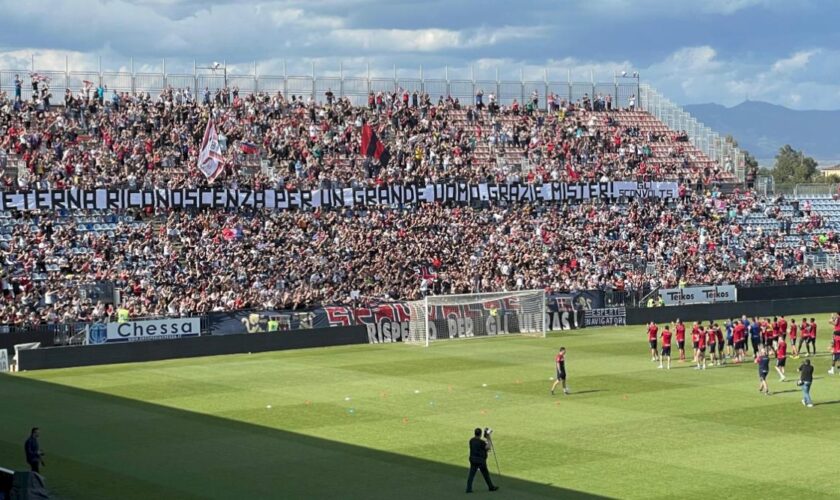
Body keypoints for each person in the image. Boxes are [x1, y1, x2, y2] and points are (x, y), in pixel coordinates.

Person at [466, 428, 499, 493]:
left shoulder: (471, 440)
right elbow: (488, 447)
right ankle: (491, 487)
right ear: (480, 434)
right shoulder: (481, 442)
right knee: (486, 474)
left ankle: (468, 488)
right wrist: (488, 438)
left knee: (471, 475)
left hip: (473, 459)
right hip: (480, 461)